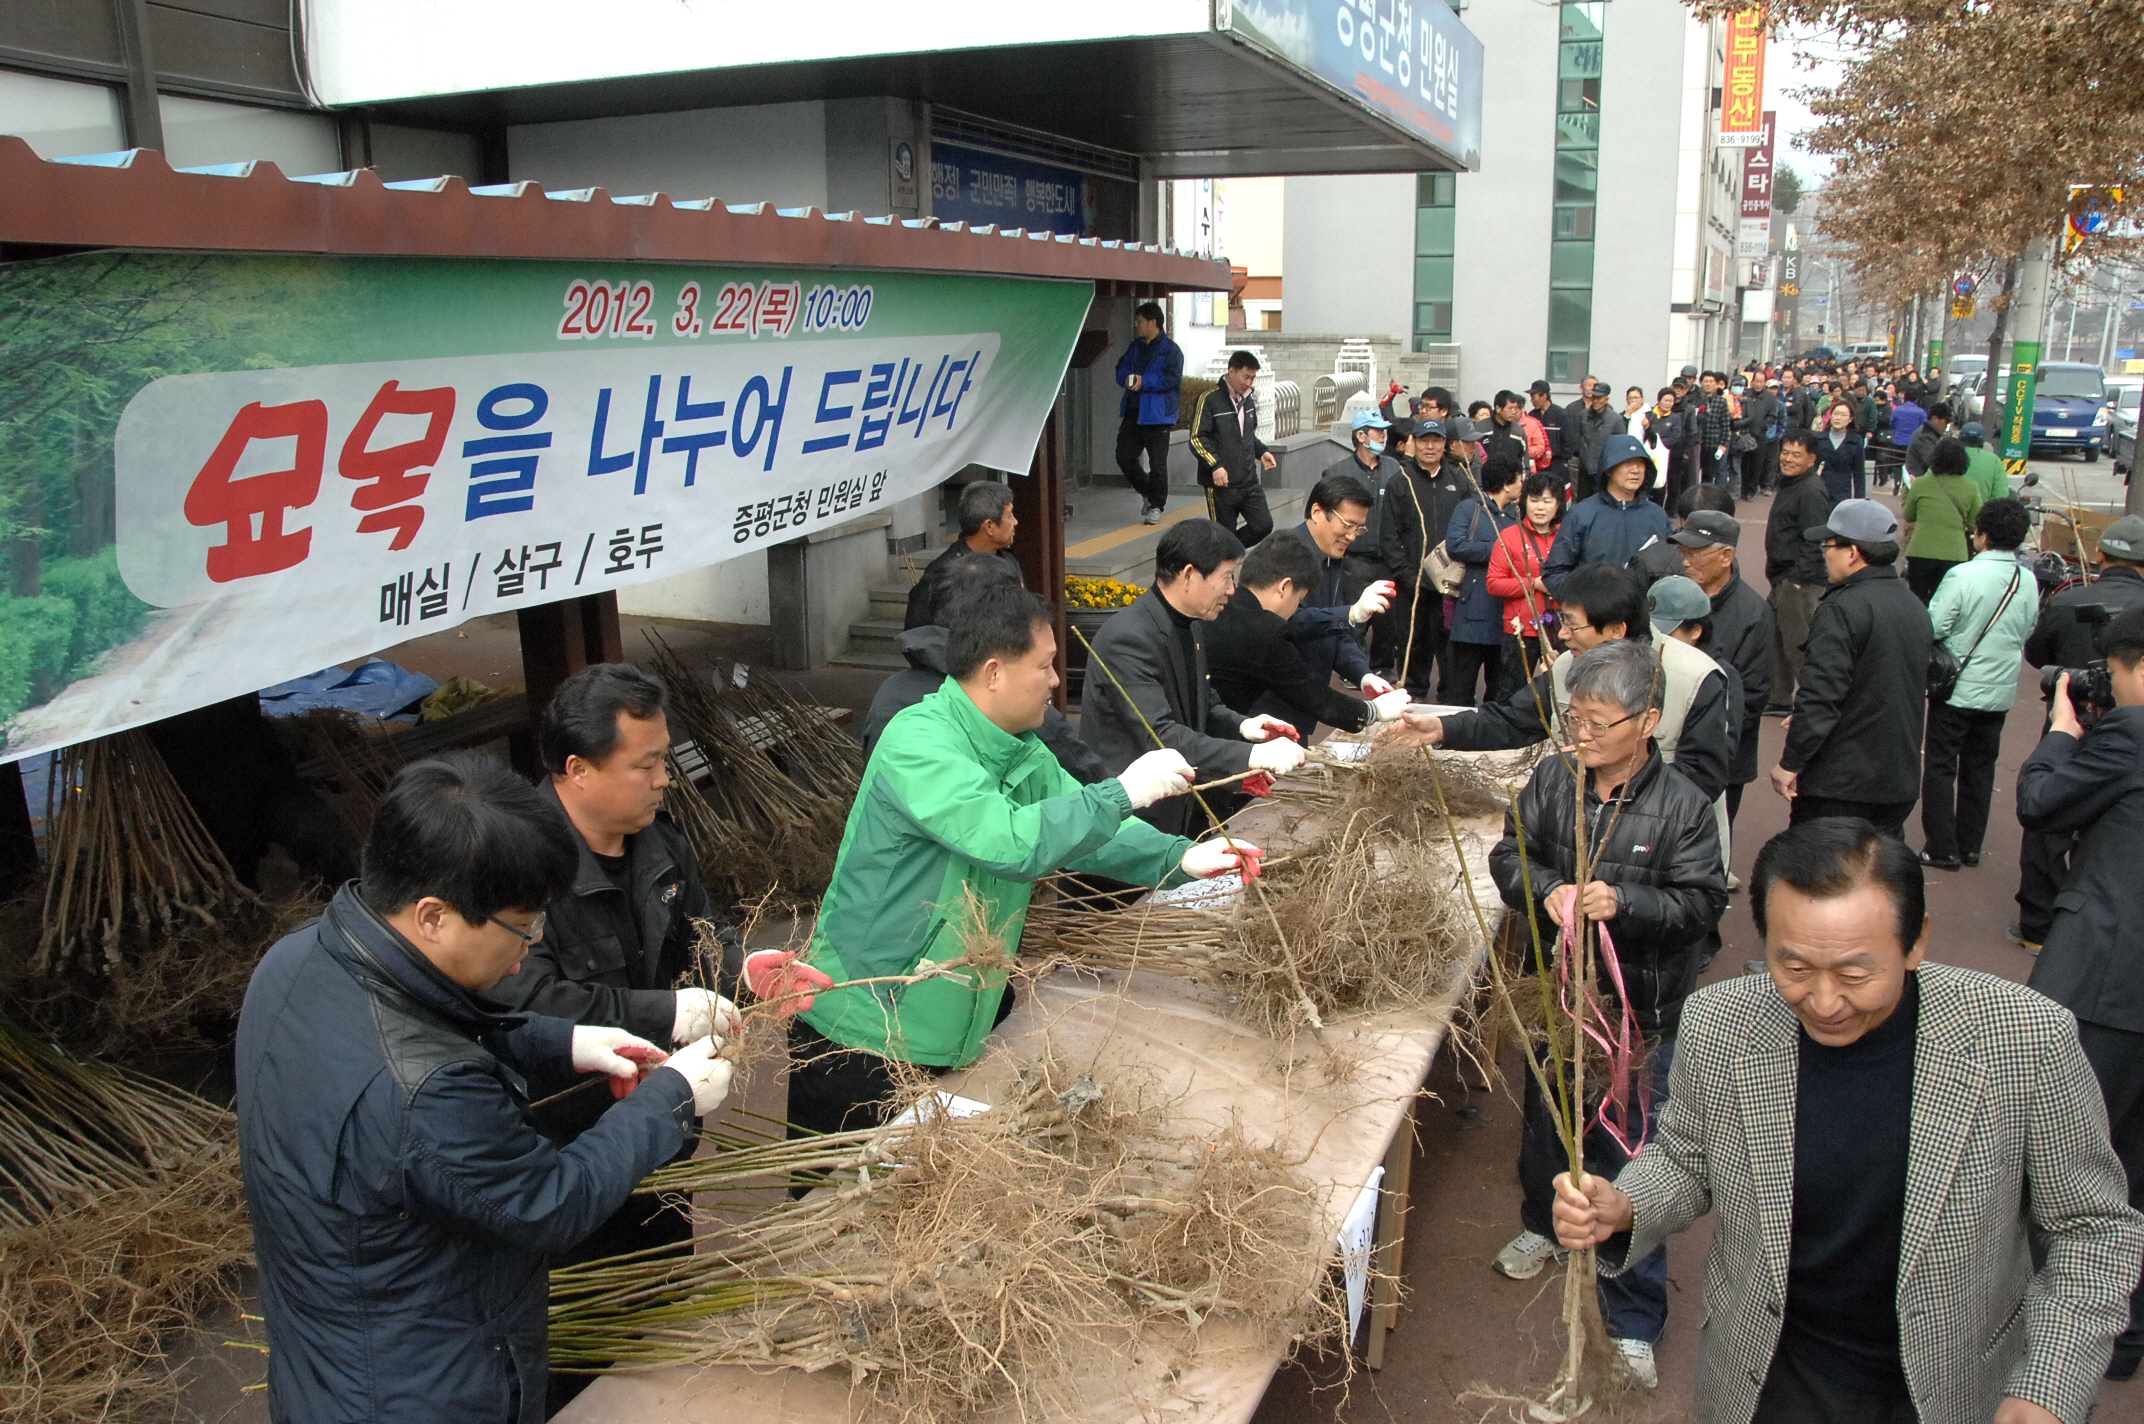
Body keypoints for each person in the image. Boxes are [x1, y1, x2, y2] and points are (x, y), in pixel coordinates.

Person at [1553, 818, 2144, 1424]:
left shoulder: (2024, 1039)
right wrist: (1623, 1205)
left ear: (1916, 943)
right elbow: (1687, 1157)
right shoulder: (1720, 1023)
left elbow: (2093, 1230)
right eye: (1795, 969)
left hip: (1953, 1388)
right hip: (1769, 1376)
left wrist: (2047, 1387)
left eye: (1856, 974)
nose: (1826, 1002)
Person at [236, 753, 736, 1423]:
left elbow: (432, 1017)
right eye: (520, 927)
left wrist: (565, 1040)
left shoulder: (298, 958)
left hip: (327, 1357)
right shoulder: (429, 1095)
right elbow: (549, 1203)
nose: (529, 948)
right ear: (434, 916)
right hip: (422, 1390)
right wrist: (669, 1098)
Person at [790, 582, 1261, 1137]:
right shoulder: (918, 741)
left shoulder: (1021, 747)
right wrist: (1121, 792)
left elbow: (1091, 834)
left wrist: (1182, 859)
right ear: (994, 673)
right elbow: (1008, 841)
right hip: (867, 1025)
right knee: (837, 1198)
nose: (1057, 682)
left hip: (948, 1018)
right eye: (1045, 666)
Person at [1488, 638, 1729, 1388]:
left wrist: (1626, 902)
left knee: (1631, 1162)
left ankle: (1631, 1317)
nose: (1581, 735)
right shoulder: (1554, 780)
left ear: (1648, 720)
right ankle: (1543, 1227)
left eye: (1597, 722)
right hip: (1557, 1001)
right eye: (1573, 719)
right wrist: (1547, 887)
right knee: (1546, 1126)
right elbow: (1510, 854)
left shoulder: (1684, 806)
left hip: (1638, 1019)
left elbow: (1701, 905)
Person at [482, 663, 733, 1303]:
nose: (662, 780)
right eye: (642, 766)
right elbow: (524, 1001)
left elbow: (703, 938)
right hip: (561, 1141)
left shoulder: (661, 845)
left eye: (664, 760)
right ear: (578, 769)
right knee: (578, 1309)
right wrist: (667, 1015)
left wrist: (748, 970)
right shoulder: (516, 864)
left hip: (662, 1119)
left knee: (659, 1281)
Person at [2021, 604, 2144, 1380]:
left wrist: (2066, 727)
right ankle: (2124, 1337)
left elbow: (2040, 801)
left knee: (2072, 1161)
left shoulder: (2130, 735)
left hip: (2109, 979)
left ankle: (2065, 1341)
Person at [1384, 562, 1736, 805]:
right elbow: (1512, 719)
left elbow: (1703, 780)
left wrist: (1610, 777)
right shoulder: (1570, 666)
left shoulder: (1695, 679)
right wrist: (1440, 728)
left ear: (1615, 631)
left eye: (1572, 624)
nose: (1563, 635)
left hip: (1664, 861)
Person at [1079, 518, 1305, 837]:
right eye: (1226, 577)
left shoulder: (1192, 625)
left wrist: (1243, 726)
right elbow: (1161, 736)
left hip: (1178, 814)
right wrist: (1250, 756)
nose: (1231, 590)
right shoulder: (1128, 639)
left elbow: (1203, 704)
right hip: (1130, 827)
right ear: (1188, 575)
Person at [2014, 515, 2144, 949]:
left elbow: (2036, 655)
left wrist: (2063, 726)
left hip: (2073, 725)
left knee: (2050, 817)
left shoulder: (2069, 600)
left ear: (2101, 556)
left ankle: (2038, 924)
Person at [1770, 499, 1934, 840]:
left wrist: (1791, 762)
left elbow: (1821, 694)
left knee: (1820, 880)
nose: (1823, 554)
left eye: (1828, 545)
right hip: (1897, 779)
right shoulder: (1913, 605)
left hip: (1840, 784)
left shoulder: (1842, 607)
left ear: (1853, 552)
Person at [865, 555, 1108, 783]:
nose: (1054, 680)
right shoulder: (1014, 708)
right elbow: (1091, 784)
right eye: (1044, 666)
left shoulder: (892, 691)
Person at [1919, 498, 2035, 870]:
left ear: (1981, 535)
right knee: (1981, 768)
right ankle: (1970, 845)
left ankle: (1942, 846)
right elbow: (2028, 629)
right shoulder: (2027, 579)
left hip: (1957, 688)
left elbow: (1933, 627)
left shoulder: (1963, 575)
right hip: (2000, 690)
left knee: (1940, 765)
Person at [1208, 533, 1410, 735]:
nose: (1295, 610)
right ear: (1285, 587)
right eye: (1299, 600)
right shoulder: (1265, 630)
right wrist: (1372, 711)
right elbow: (1314, 697)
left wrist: (1362, 674)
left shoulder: (1227, 606)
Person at [1674, 509, 1775, 829]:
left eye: (1695, 553)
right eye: (1683, 552)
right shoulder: (1672, 594)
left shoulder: (1753, 612)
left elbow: (1754, 694)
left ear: (1726, 555)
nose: (1686, 561)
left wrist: (1706, 736)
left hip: (1721, 760)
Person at [1280, 473, 1398, 702]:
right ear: (1317, 512)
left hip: (1304, 696)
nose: (1352, 536)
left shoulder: (1333, 557)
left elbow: (1335, 631)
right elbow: (1286, 621)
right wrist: (1351, 613)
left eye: (1360, 528)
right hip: (1274, 697)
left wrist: (1363, 676)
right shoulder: (1285, 552)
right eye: (1347, 525)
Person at [1380, 417, 1473, 698]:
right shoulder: (1400, 481)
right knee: (1413, 642)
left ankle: (1450, 699)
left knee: (1449, 645)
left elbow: (1472, 525)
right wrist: (1408, 577)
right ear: (1414, 443)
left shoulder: (1459, 480)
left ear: (1445, 445)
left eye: (1436, 441)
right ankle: (1413, 694)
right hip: (1413, 584)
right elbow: (1389, 537)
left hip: (1451, 584)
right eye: (1424, 440)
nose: (1430, 447)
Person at [1541, 433, 1673, 596]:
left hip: (1645, 615)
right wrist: (1584, 603)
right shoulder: (1582, 515)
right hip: (1595, 615)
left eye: (1640, 463)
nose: (1635, 470)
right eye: (1627, 463)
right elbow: (1554, 572)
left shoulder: (1657, 516)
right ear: (1609, 469)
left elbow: (1671, 570)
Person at [1442, 452, 1525, 705]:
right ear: (1507, 484)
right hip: (1472, 610)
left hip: (1507, 612)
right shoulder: (1470, 508)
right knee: (1461, 684)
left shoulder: (1518, 514)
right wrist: (1501, 551)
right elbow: (1455, 545)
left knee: (1500, 687)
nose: (1523, 484)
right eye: (1520, 478)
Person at [1765, 430, 1838, 715]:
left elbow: (1815, 540)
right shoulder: (1791, 484)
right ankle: (1779, 697)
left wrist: (1797, 579)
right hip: (1781, 576)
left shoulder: (1811, 491)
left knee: (1799, 644)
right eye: (1785, 452)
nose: (1788, 459)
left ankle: (1813, 703)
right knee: (1777, 640)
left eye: (1797, 455)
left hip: (1799, 582)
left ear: (1811, 459)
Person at [905, 480, 1021, 629]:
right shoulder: (943, 573)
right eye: (1010, 515)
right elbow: (919, 637)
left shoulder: (1008, 558)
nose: (1015, 522)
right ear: (989, 526)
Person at [1189, 349, 1276, 546]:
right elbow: (1196, 437)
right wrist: (1215, 465)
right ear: (1231, 371)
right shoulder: (1209, 399)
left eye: (1253, 378)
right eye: (1246, 376)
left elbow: (1247, 436)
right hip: (1221, 485)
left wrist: (1262, 452)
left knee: (1263, 525)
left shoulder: (1248, 400)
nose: (1249, 382)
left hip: (1248, 481)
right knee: (1223, 534)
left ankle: (1226, 549)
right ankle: (1224, 555)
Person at [1487, 470, 1563, 689]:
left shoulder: (1567, 536)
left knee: (1560, 687)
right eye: (1534, 500)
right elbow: (1493, 583)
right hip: (1521, 628)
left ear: (1558, 504)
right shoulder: (1510, 536)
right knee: (1514, 691)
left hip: (1561, 626)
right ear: (1524, 502)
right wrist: (1534, 584)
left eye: (1547, 501)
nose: (1540, 507)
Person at [1113, 301, 1183, 524]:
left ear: (1153, 322)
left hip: (1158, 414)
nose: (1136, 325)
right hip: (1134, 410)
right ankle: (1148, 493)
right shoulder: (1135, 347)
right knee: (1124, 456)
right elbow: (1120, 368)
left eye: (1140, 321)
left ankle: (1157, 505)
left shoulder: (1171, 350)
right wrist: (1125, 378)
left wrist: (1145, 381)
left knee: (1158, 464)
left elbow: (1172, 379)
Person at [1899, 436, 1983, 604]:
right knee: (1946, 601)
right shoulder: (1971, 487)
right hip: (1955, 552)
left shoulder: (1921, 484)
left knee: (1918, 599)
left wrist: (1907, 490)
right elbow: (1975, 523)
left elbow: (1909, 515)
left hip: (1921, 550)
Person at [1564, 376, 1622, 503]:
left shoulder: (1615, 419)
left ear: (1606, 399)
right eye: (1593, 397)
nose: (1595, 401)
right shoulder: (1584, 415)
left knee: (1604, 502)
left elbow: (1620, 445)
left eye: (1599, 398)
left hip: (1605, 469)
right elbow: (1578, 436)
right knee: (1583, 502)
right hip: (1585, 467)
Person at [1738, 370, 1782, 500]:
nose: (1758, 384)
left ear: (1765, 383)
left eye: (1761, 381)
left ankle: (1751, 490)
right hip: (1744, 434)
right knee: (1743, 463)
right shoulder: (1745, 394)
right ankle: (1742, 489)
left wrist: (1764, 425)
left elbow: (1773, 416)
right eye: (1756, 381)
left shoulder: (1769, 397)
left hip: (1759, 435)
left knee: (1756, 464)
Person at [1483, 389, 1540, 473]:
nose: (1514, 412)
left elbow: (1524, 463)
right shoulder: (1481, 428)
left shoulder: (1519, 432)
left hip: (1510, 481)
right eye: (1510, 408)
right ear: (1498, 408)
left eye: (1516, 408)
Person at [1694, 371, 1733, 488]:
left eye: (1711, 382)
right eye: (1705, 381)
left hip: (1714, 443)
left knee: (1714, 473)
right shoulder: (1696, 400)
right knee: (1697, 473)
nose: (1708, 384)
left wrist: (1723, 444)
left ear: (1716, 384)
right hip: (1698, 443)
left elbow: (1725, 425)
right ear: (1701, 383)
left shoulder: (1721, 401)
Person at [1958, 420, 2012, 505]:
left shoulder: (1947, 456)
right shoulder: (1994, 461)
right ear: (1982, 441)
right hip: (1982, 515)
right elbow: (2001, 496)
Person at [1903, 398, 1953, 484]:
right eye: (1946, 421)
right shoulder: (1925, 436)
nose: (1947, 425)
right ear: (1935, 418)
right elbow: (1932, 462)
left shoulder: (1931, 434)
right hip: (1919, 481)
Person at [1528, 379, 1570, 474]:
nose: (1532, 401)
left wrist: (1564, 461)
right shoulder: (1532, 415)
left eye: (1534, 397)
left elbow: (1568, 440)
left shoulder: (1561, 414)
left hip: (1556, 463)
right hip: (1537, 463)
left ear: (1544, 396)